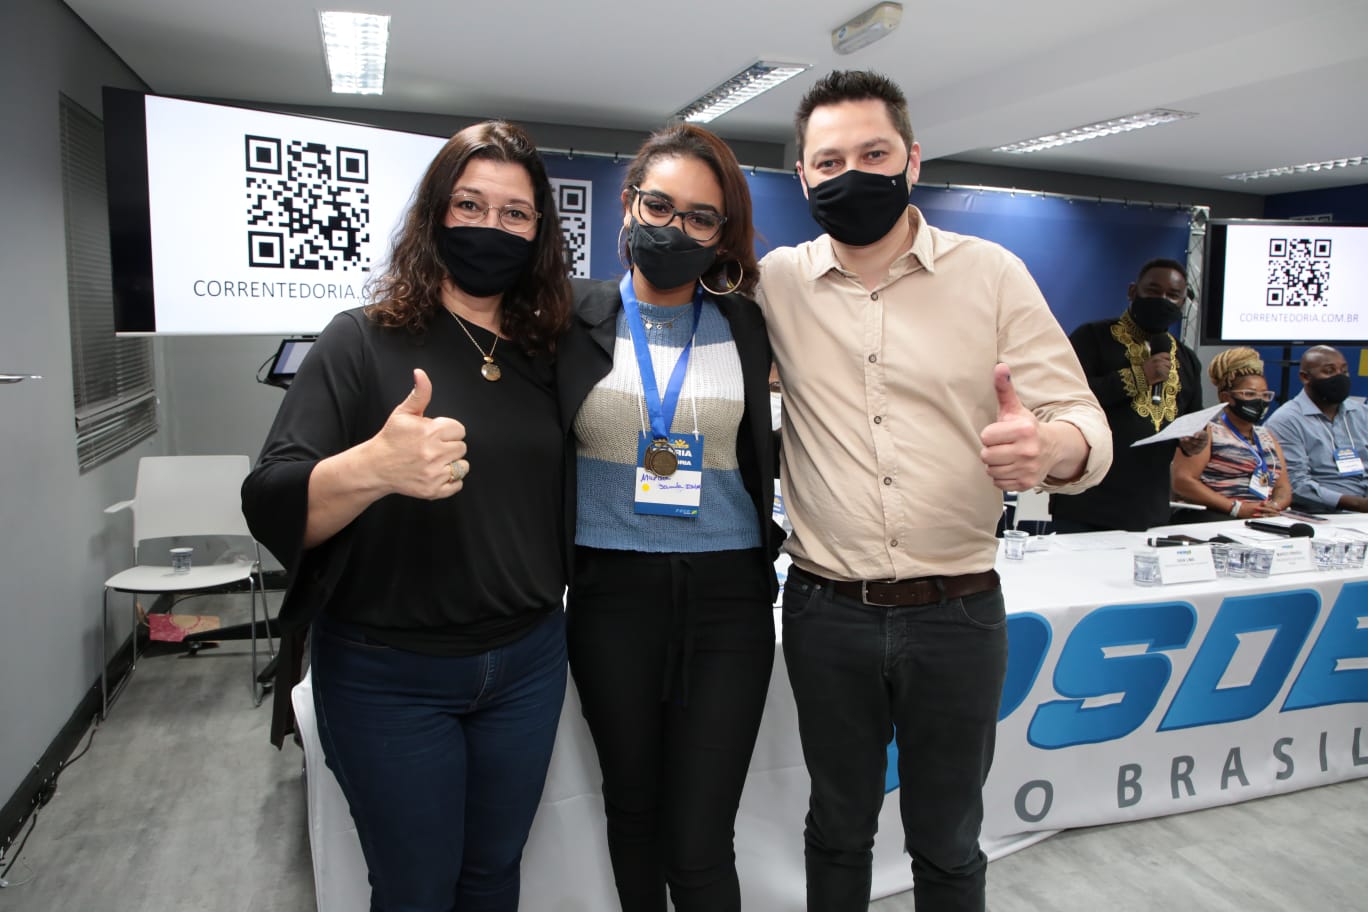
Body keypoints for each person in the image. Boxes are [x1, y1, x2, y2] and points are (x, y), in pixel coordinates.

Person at [755, 70, 1112, 911]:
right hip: (826, 611)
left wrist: (1050, 448)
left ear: (912, 161)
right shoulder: (777, 284)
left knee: (948, 841)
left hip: (958, 612)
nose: (851, 174)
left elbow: (1082, 421)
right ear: (803, 177)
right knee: (836, 826)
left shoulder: (991, 274)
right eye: (829, 161)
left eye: (873, 154)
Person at [241, 121, 572, 912]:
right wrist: (373, 468)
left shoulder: (550, 350)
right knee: (415, 889)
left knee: (494, 874)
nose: (491, 227)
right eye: (470, 205)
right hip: (390, 675)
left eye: (515, 213)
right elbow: (269, 498)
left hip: (527, 663)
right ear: (434, 215)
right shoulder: (361, 342)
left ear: (539, 232)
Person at [557, 123, 782, 912]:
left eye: (700, 216)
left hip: (729, 599)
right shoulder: (572, 319)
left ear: (723, 232)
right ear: (629, 205)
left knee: (699, 839)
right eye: (659, 206)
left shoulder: (745, 325)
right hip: (611, 594)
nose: (675, 228)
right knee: (634, 812)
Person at [1049, 258, 1204, 532]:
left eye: (1173, 295)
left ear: (1183, 303)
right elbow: (1067, 399)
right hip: (1088, 501)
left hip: (1150, 506)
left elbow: (1191, 420)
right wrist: (1139, 377)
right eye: (1153, 291)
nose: (1163, 300)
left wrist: (1194, 441)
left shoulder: (1187, 359)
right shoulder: (1092, 337)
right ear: (1133, 291)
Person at [1172, 347, 1292, 520]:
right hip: (1217, 516)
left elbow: (1283, 486)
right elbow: (1182, 481)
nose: (1259, 400)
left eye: (1265, 395)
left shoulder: (1266, 435)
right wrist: (1236, 508)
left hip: (1262, 517)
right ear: (1226, 397)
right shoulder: (1207, 431)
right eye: (1249, 394)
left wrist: (1273, 506)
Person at [1264, 344, 1368, 512]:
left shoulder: (1361, 413)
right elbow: (1296, 484)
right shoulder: (1285, 421)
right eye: (1329, 371)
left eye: (1344, 371)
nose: (1339, 377)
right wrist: (1357, 504)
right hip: (1326, 512)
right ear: (1305, 377)